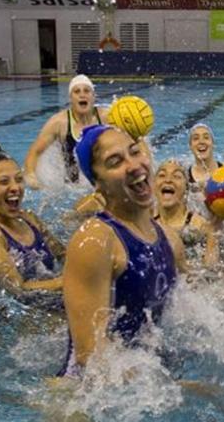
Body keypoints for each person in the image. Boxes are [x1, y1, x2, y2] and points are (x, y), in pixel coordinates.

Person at [60, 125, 186, 375]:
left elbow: (196, 301)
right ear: (98, 184)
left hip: (145, 383)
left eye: (135, 152)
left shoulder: (170, 240)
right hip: (84, 397)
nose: (133, 165)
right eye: (115, 162)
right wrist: (167, 385)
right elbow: (91, 357)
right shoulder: (96, 241)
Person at [0, 149, 64, 295]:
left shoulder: (30, 219)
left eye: (19, 179)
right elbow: (16, 287)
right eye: (4, 182)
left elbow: (63, 255)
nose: (15, 188)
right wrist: (64, 282)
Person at [23, 74, 109, 189]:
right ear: (71, 98)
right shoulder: (59, 122)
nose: (82, 95)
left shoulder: (106, 117)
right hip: (72, 189)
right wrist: (30, 175)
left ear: (93, 97)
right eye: (77, 91)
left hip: (104, 184)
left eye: (87, 91)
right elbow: (35, 151)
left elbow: (133, 136)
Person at [153, 159, 211, 258]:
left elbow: (210, 268)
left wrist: (212, 237)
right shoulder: (144, 223)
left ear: (186, 189)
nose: (168, 180)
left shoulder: (198, 226)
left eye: (176, 176)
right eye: (162, 175)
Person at [185, 124, 222, 190]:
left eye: (206, 137)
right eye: (196, 138)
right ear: (190, 146)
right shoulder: (185, 179)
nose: (201, 142)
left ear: (213, 144)